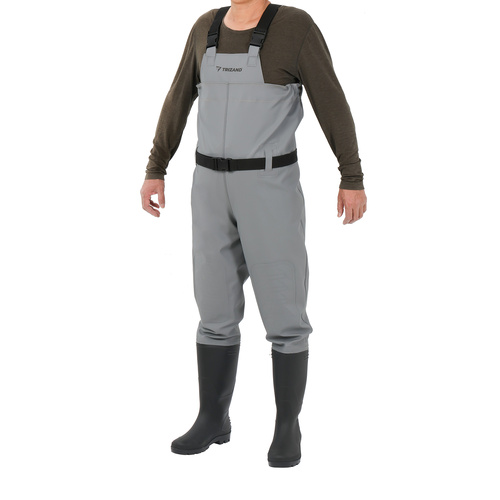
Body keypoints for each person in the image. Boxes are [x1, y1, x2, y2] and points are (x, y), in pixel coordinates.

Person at [140, 0, 367, 467]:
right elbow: (178, 97)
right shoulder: (204, 27)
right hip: (209, 186)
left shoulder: (295, 27)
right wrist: (155, 167)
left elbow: (331, 101)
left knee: (285, 313)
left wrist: (352, 176)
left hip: (268, 184)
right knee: (213, 309)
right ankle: (213, 418)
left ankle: (287, 426)